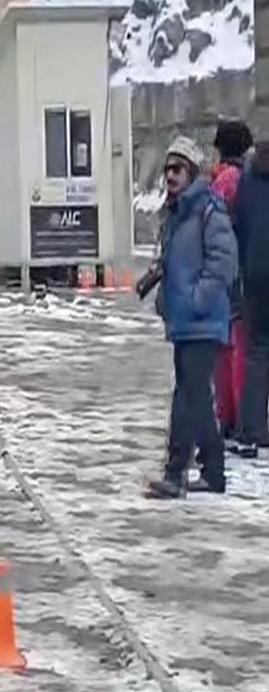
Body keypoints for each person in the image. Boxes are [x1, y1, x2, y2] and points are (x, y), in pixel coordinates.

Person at [148, 136, 237, 499]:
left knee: (189, 396)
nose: (170, 175)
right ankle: (210, 472)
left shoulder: (208, 209)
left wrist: (199, 299)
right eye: (167, 168)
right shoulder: (175, 213)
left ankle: (177, 472)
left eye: (177, 168)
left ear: (193, 172)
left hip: (202, 320)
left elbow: (223, 262)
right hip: (184, 321)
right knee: (192, 395)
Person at [211, 120, 252, 441]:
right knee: (242, 349)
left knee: (226, 350)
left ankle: (227, 416)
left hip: (223, 274)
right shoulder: (248, 180)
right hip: (246, 273)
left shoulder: (221, 183)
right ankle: (243, 418)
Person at [235, 137, 269, 459]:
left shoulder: (247, 177)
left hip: (256, 273)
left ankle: (254, 428)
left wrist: (245, 265)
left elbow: (239, 224)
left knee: (256, 350)